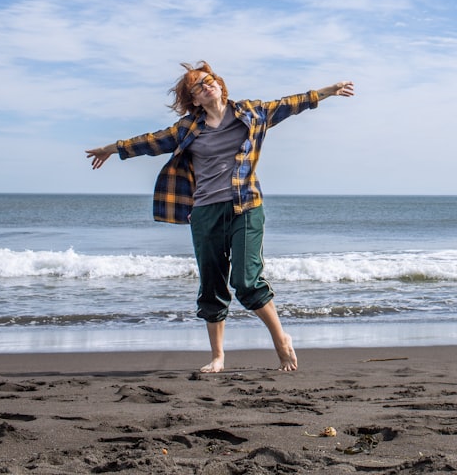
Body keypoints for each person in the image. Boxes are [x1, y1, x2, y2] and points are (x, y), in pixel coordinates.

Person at [86, 62, 354, 373]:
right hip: (205, 213)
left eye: (208, 80)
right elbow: (149, 141)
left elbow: (290, 104)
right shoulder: (187, 129)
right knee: (212, 285)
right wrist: (111, 149)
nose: (206, 86)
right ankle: (218, 357)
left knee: (245, 281)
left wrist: (330, 91)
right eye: (197, 86)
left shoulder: (252, 112)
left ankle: (281, 340)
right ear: (194, 100)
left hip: (247, 207)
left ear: (220, 84)